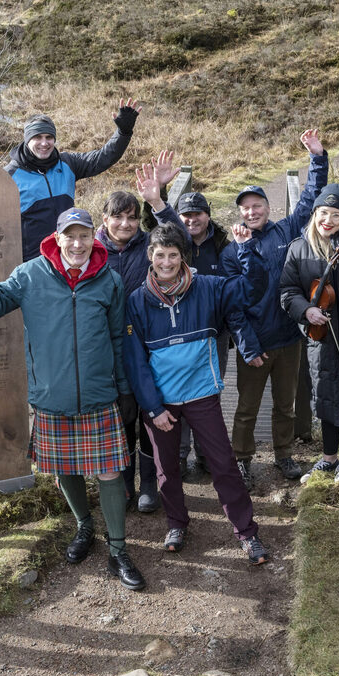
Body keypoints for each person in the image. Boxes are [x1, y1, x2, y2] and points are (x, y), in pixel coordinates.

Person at [0, 208, 145, 591]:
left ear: (94, 238)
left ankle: (118, 550)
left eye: (84, 236)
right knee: (67, 468)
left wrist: (125, 388)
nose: (77, 244)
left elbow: (117, 339)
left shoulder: (109, 281)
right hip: (51, 395)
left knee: (109, 471)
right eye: (70, 236)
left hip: (99, 395)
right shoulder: (30, 276)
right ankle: (84, 527)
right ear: (57, 238)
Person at [123, 222, 271, 564]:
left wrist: (246, 249)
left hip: (202, 395)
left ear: (183, 257)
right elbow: (135, 361)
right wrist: (153, 407)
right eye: (160, 255)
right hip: (161, 404)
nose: (166, 263)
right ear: (150, 256)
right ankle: (176, 523)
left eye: (173, 255)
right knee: (166, 469)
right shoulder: (137, 301)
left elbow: (252, 289)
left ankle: (246, 532)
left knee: (223, 465)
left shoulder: (209, 287)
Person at [222, 128, 329, 484]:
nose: (252, 212)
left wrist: (318, 158)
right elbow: (232, 305)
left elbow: (312, 199)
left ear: (269, 208)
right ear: (239, 215)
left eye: (257, 206)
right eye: (246, 208)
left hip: (288, 337)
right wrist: (248, 345)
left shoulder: (286, 232)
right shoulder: (231, 251)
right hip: (255, 342)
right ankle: (242, 458)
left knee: (286, 404)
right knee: (247, 409)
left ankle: (284, 454)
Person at [99, 162, 191, 513]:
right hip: (111, 348)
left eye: (132, 217)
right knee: (122, 418)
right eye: (118, 217)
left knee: (151, 416)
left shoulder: (147, 245)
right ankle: (124, 482)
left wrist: (158, 199)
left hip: (153, 343)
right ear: (104, 219)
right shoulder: (91, 252)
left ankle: (149, 485)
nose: (126, 224)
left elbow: (178, 239)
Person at [137, 153, 234, 479]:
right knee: (176, 393)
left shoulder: (222, 243)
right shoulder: (174, 245)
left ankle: (207, 454)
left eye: (197, 214)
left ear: (208, 216)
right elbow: (160, 228)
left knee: (206, 393)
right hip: (173, 329)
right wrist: (158, 197)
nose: (191, 220)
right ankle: (178, 456)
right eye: (185, 215)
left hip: (212, 333)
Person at [278, 175, 339, 483]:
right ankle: (328, 457)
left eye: (336, 215)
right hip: (321, 337)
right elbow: (288, 291)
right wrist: (307, 310)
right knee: (326, 398)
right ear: (314, 214)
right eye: (323, 213)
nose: (328, 220)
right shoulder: (299, 249)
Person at [5, 99, 141, 262]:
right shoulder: (9, 176)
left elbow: (103, 158)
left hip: (68, 257)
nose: (44, 143)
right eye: (37, 137)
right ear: (27, 140)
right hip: (32, 263)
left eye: (49, 137)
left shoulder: (67, 164)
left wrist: (123, 133)